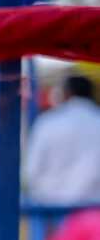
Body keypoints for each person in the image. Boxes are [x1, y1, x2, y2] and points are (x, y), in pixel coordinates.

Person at [25, 75, 100, 204]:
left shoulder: (47, 122)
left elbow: (31, 171)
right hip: (93, 208)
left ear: (66, 93)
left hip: (50, 209)